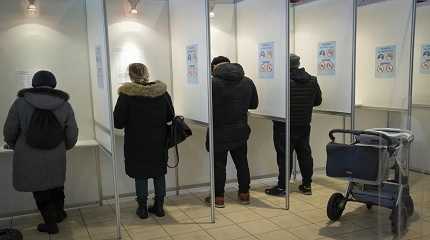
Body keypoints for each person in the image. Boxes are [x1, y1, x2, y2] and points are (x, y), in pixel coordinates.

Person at [3, 70, 79, 234]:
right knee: (56, 184)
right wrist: (65, 147)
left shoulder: (20, 103)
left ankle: (50, 224)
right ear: (54, 84)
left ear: (34, 84)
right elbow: (72, 133)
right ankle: (58, 214)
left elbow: (9, 131)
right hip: (56, 152)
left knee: (39, 188)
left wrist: (14, 144)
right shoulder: (65, 104)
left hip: (29, 154)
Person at [114, 63, 174, 219]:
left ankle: (142, 209)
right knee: (159, 173)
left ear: (130, 75)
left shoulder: (126, 96)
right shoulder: (162, 93)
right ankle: (159, 207)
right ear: (147, 73)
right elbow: (170, 116)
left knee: (140, 174)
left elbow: (118, 123)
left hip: (136, 142)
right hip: (158, 141)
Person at [205, 56, 259, 208]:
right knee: (242, 163)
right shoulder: (247, 81)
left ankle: (219, 198)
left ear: (214, 67)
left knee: (218, 165)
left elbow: (205, 107)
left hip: (218, 131)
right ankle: (244, 195)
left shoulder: (212, 83)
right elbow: (254, 104)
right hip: (240, 130)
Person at [265, 54, 322, 196]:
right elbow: (317, 101)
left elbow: (273, 102)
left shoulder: (282, 82)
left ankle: (282, 187)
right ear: (298, 64)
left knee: (284, 156)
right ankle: (307, 185)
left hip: (283, 126)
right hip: (303, 124)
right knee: (305, 154)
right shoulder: (312, 80)